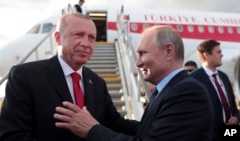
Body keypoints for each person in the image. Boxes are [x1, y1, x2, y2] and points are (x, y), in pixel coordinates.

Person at [54, 25, 215, 141]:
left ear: (168, 51)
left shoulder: (187, 92)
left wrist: (92, 130)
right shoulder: (167, 90)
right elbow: (147, 130)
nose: (137, 63)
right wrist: (107, 121)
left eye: (143, 53)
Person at [0, 13, 138, 141]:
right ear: (58, 38)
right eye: (78, 35)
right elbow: (13, 137)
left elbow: (115, 124)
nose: (86, 44)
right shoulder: (25, 76)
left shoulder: (97, 82)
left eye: (91, 38)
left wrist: (156, 124)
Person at [190, 39, 240, 141]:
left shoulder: (224, 77)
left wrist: (237, 117)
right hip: (210, 135)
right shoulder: (195, 79)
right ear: (206, 55)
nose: (222, 55)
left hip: (229, 132)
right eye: (218, 52)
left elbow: (233, 106)